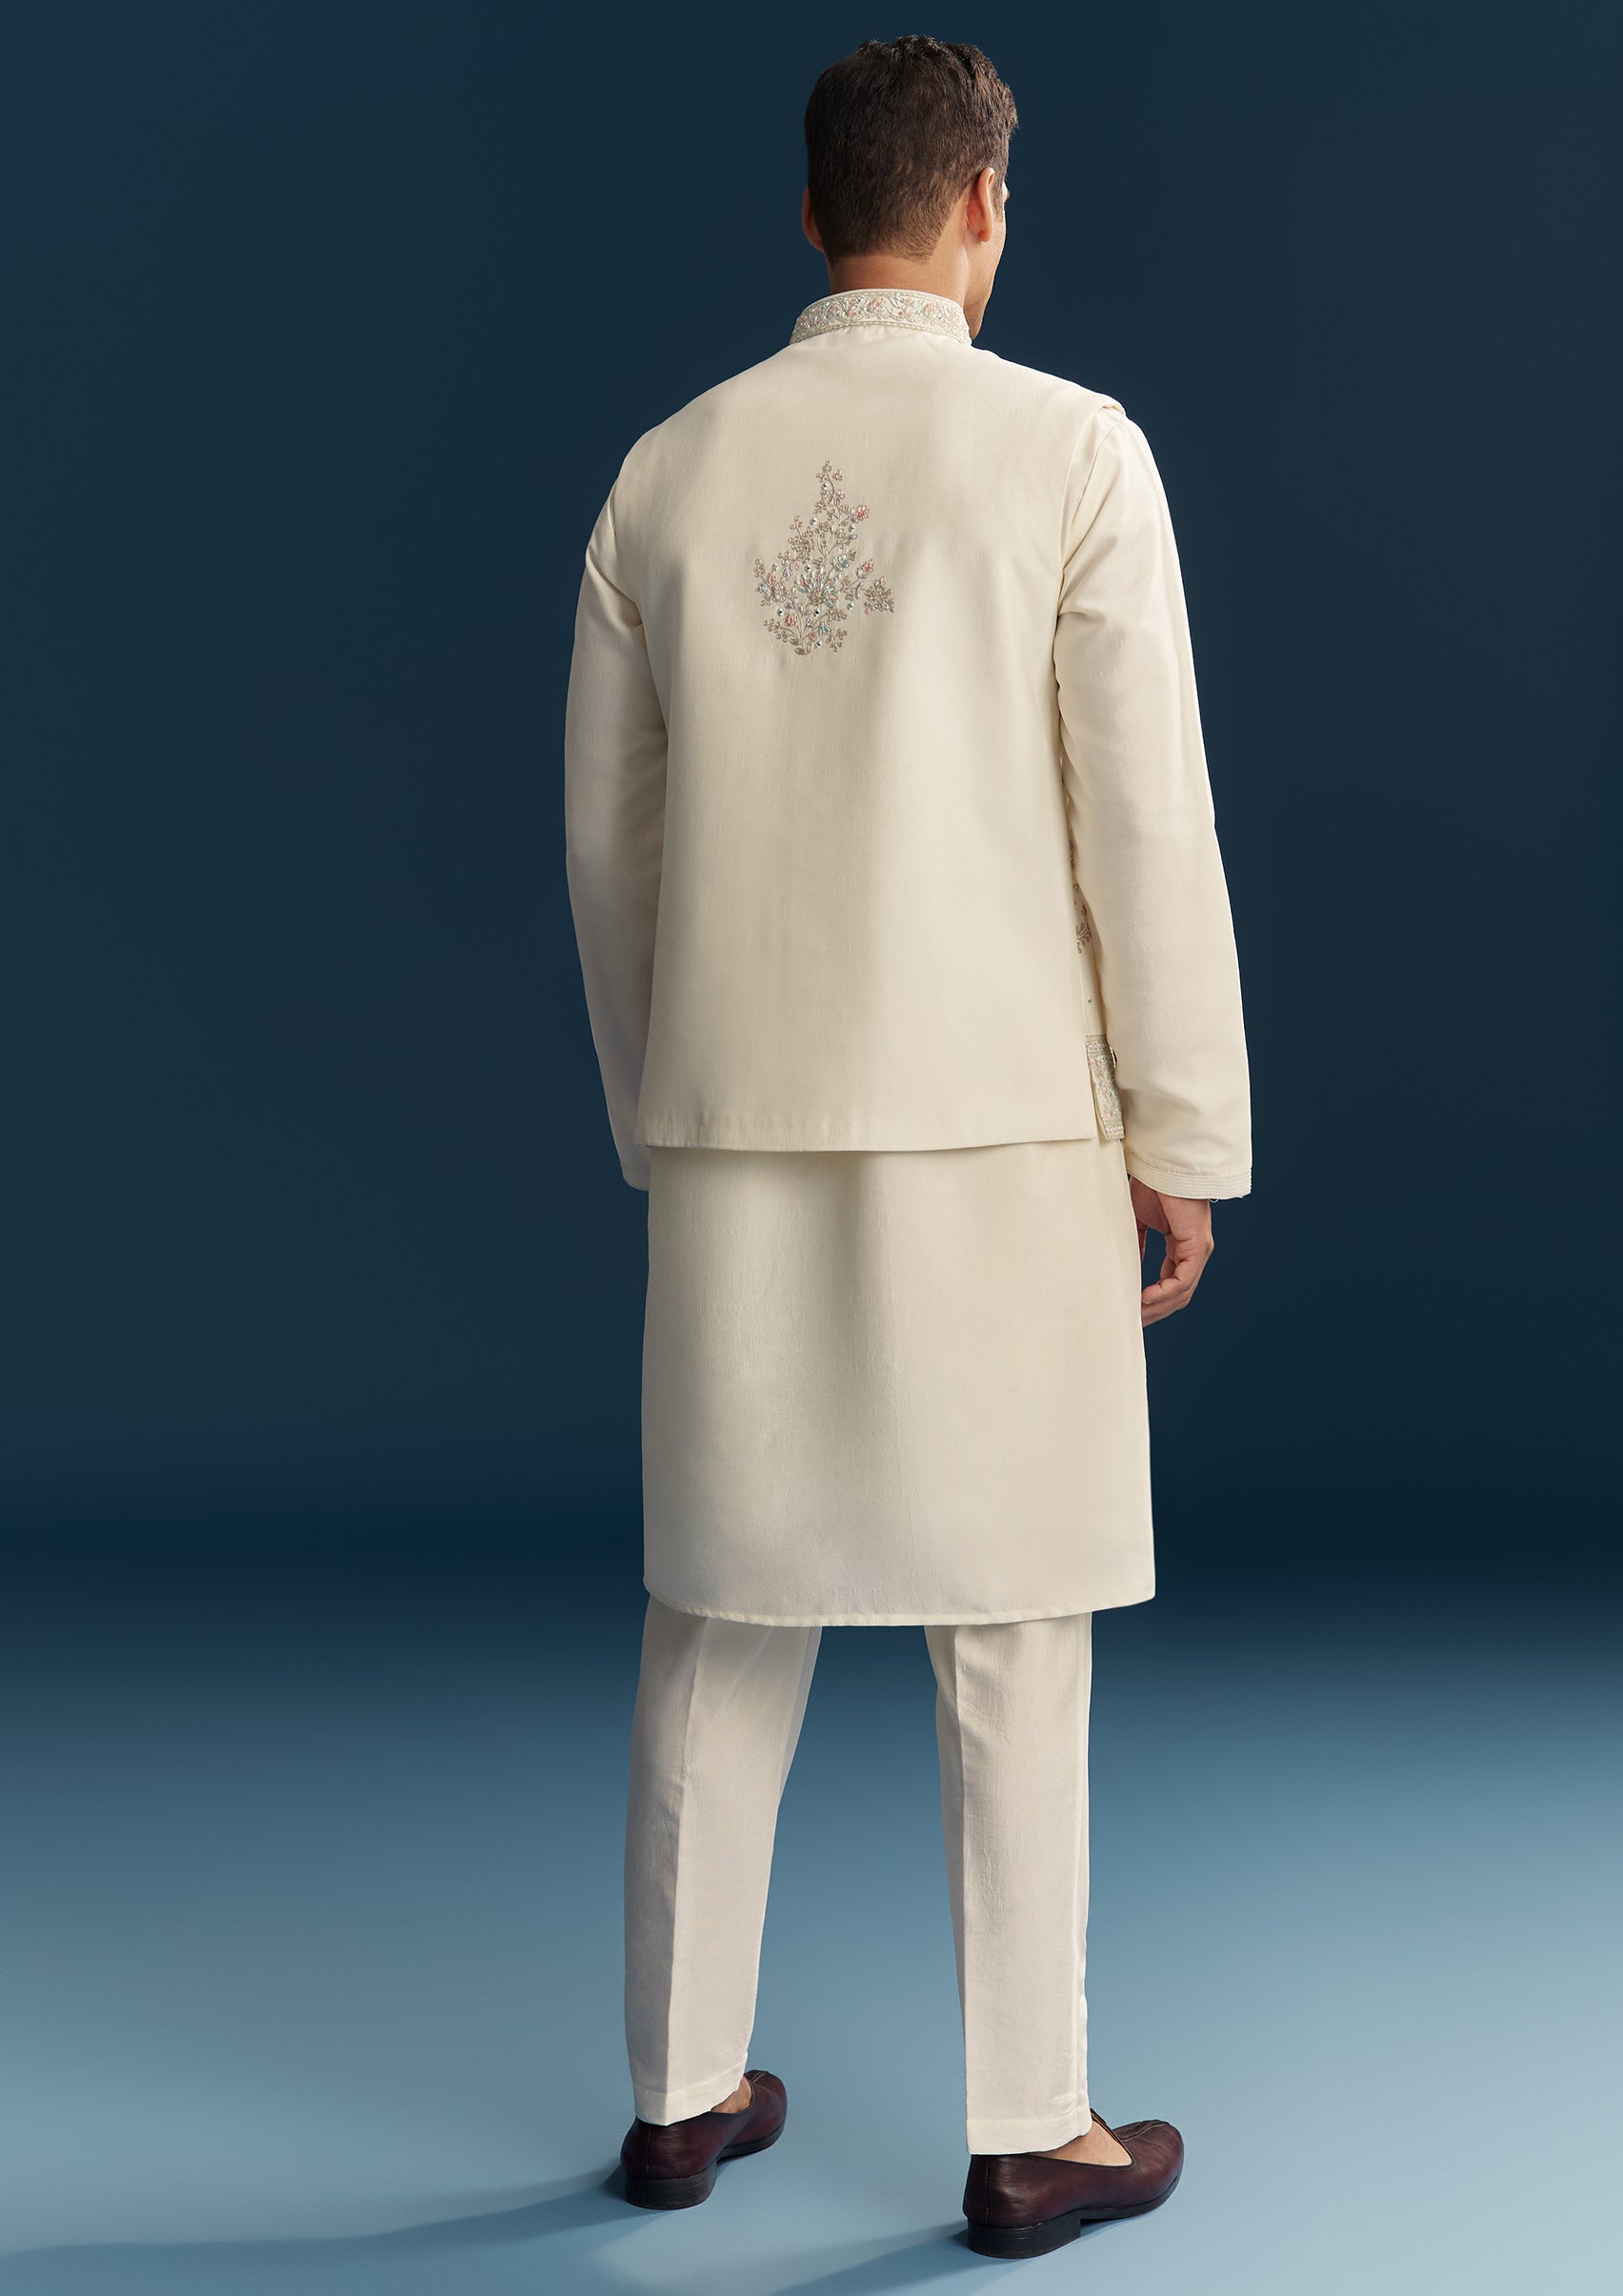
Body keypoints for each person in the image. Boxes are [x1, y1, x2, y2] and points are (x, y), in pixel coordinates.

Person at [564, 33, 1251, 2261]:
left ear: (810, 211)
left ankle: (677, 2093)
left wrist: (659, 1110)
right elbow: (1143, 821)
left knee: (718, 1604)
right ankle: (1029, 2126)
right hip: (1003, 1121)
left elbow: (614, 851)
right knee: (1013, 1617)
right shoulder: (1072, 451)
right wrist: (1181, 1126)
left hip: (740, 1109)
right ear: (980, 206)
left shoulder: (666, 474)